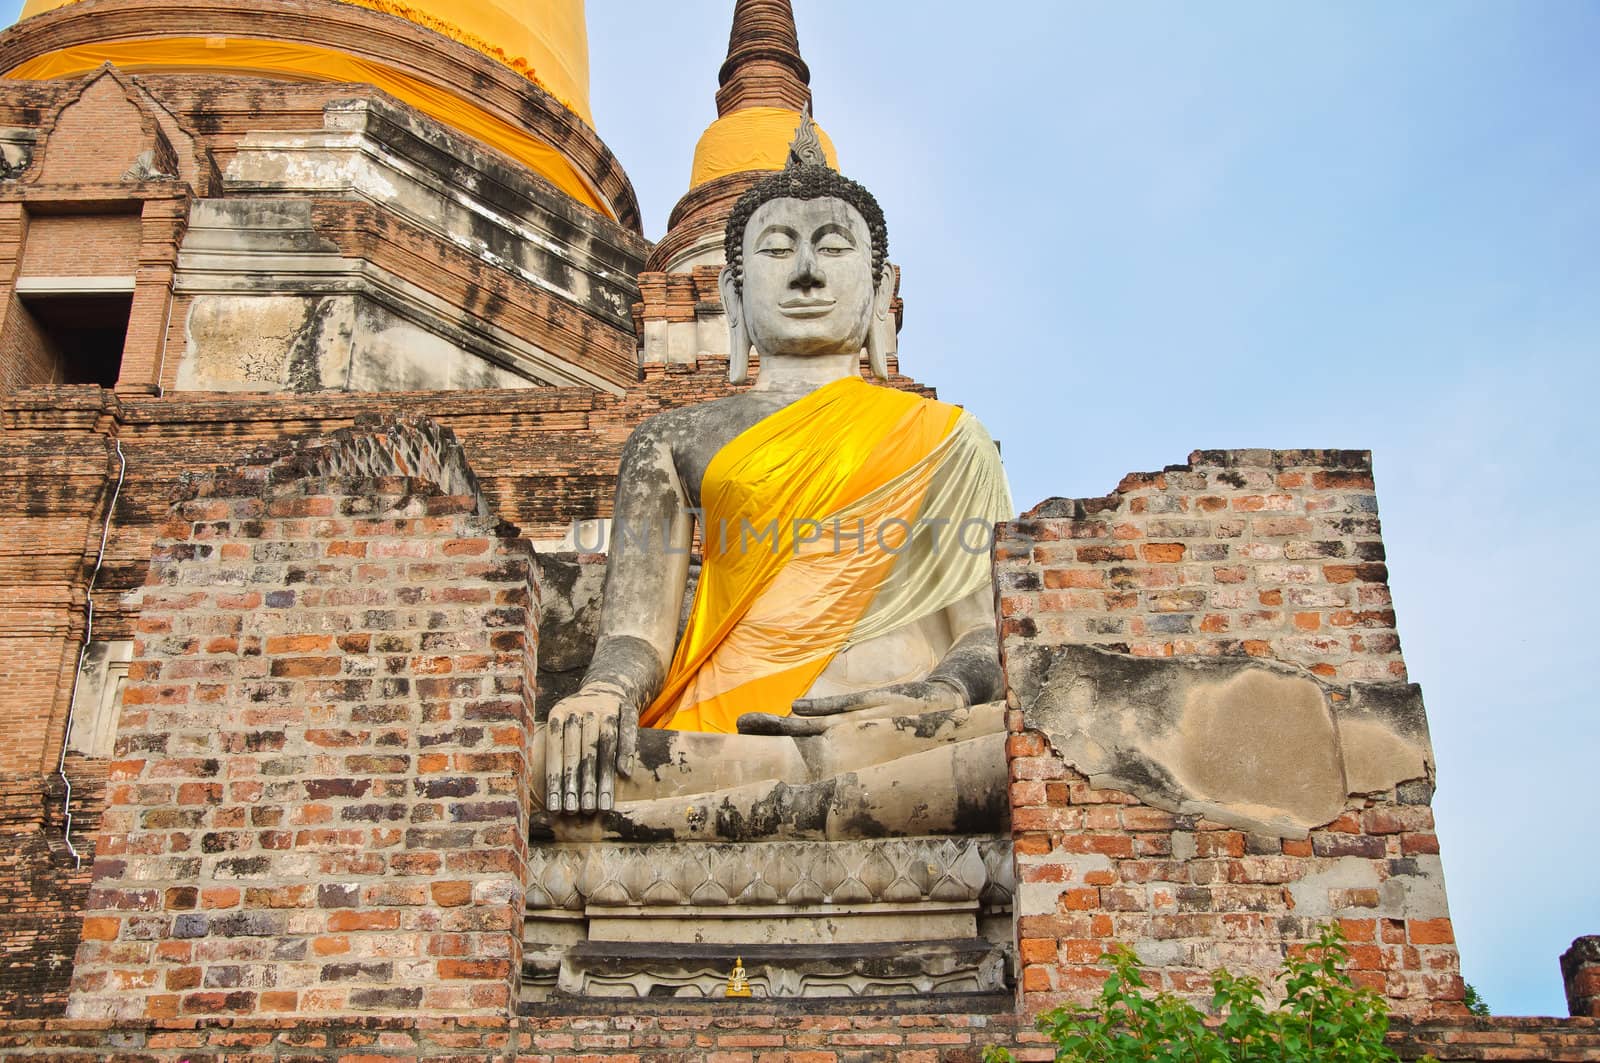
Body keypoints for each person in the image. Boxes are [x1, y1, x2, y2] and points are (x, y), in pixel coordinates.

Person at [539, 116, 1012, 838]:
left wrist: (936, 694)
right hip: (722, 741)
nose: (807, 273)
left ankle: (825, 785)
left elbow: (984, 633)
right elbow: (636, 635)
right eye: (777, 249)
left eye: (832, 246)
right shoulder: (672, 440)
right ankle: (821, 794)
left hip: (902, 732)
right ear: (732, 293)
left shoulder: (949, 439)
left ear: (881, 289)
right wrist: (602, 694)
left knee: (1014, 762)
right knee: (551, 768)